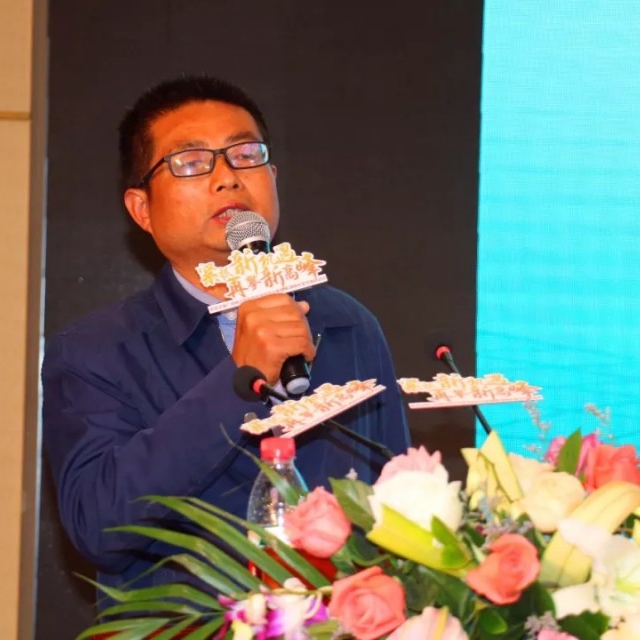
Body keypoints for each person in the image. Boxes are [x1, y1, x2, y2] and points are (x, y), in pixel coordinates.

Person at [42, 76, 411, 596]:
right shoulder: (94, 351)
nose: (228, 178)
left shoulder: (347, 324)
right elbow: (99, 526)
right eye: (192, 162)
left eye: (245, 155)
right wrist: (236, 381)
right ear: (142, 209)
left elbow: (394, 508)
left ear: (273, 178)